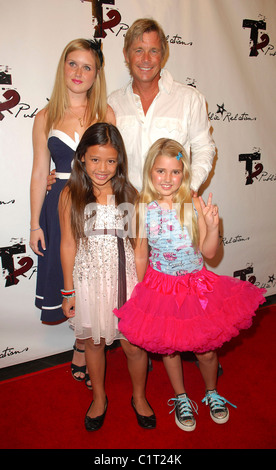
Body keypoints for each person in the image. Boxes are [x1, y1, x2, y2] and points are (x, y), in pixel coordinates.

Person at [114, 138, 266, 432]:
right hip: (161, 287)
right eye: (160, 171)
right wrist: (141, 292)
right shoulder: (142, 207)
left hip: (197, 287)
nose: (167, 178)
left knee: (206, 350)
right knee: (169, 348)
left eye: (175, 172)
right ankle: (181, 396)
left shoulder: (193, 203)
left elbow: (209, 253)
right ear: (149, 172)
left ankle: (211, 392)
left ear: (183, 173)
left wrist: (212, 226)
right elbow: (141, 252)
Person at [58, 122, 156, 431]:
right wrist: (68, 291)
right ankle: (99, 397)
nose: (103, 168)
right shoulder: (71, 194)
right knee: (94, 343)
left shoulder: (129, 195)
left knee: (135, 346)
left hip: (126, 282)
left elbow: (140, 249)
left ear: (120, 162)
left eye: (111, 161)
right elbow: (68, 244)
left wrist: (140, 293)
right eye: (96, 159)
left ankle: (139, 396)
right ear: (82, 158)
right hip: (89, 282)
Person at [29, 38, 115, 386]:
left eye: (87, 66)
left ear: (96, 75)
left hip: (97, 207)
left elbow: (114, 165)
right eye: (73, 64)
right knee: (70, 282)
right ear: (63, 67)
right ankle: (83, 343)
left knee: (94, 280)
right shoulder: (45, 115)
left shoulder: (105, 114)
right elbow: (38, 171)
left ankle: (84, 346)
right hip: (58, 206)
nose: (79, 72)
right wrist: (34, 223)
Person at [108, 18, 216, 194]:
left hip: (173, 209)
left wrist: (189, 188)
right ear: (126, 55)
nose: (146, 59)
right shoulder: (112, 103)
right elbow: (101, 156)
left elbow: (204, 148)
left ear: (162, 55)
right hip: (126, 208)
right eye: (138, 50)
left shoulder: (190, 99)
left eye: (153, 51)